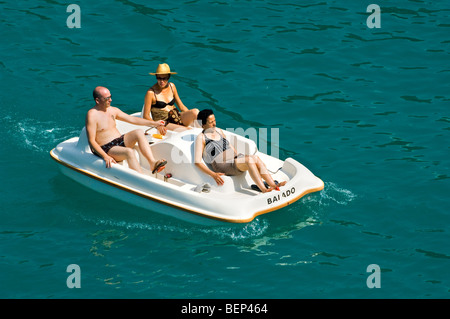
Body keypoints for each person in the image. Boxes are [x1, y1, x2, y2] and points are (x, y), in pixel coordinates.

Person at [194, 109, 286, 193]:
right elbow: (197, 162)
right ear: (203, 125)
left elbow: (229, 145)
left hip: (234, 160)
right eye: (211, 122)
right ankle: (264, 189)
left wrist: (238, 156)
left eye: (214, 120)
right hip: (223, 165)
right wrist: (213, 174)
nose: (214, 124)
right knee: (249, 160)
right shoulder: (201, 137)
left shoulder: (218, 131)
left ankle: (273, 185)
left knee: (255, 158)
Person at [86, 86, 167, 174]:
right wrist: (105, 156)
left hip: (119, 141)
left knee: (139, 132)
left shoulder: (113, 110)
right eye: (107, 98)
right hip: (107, 148)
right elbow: (91, 141)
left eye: (110, 96)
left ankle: (152, 163)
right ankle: (140, 177)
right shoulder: (92, 115)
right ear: (97, 100)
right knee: (129, 152)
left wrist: (155, 123)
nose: (110, 100)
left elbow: (132, 119)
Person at [143, 63, 199, 130]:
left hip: (176, 116)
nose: (162, 81)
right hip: (164, 122)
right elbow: (145, 116)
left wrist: (189, 115)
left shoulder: (172, 86)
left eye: (164, 78)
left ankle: (204, 132)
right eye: (159, 78)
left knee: (195, 112)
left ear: (169, 77)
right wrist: (157, 125)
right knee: (187, 130)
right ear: (156, 77)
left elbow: (181, 106)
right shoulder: (151, 93)